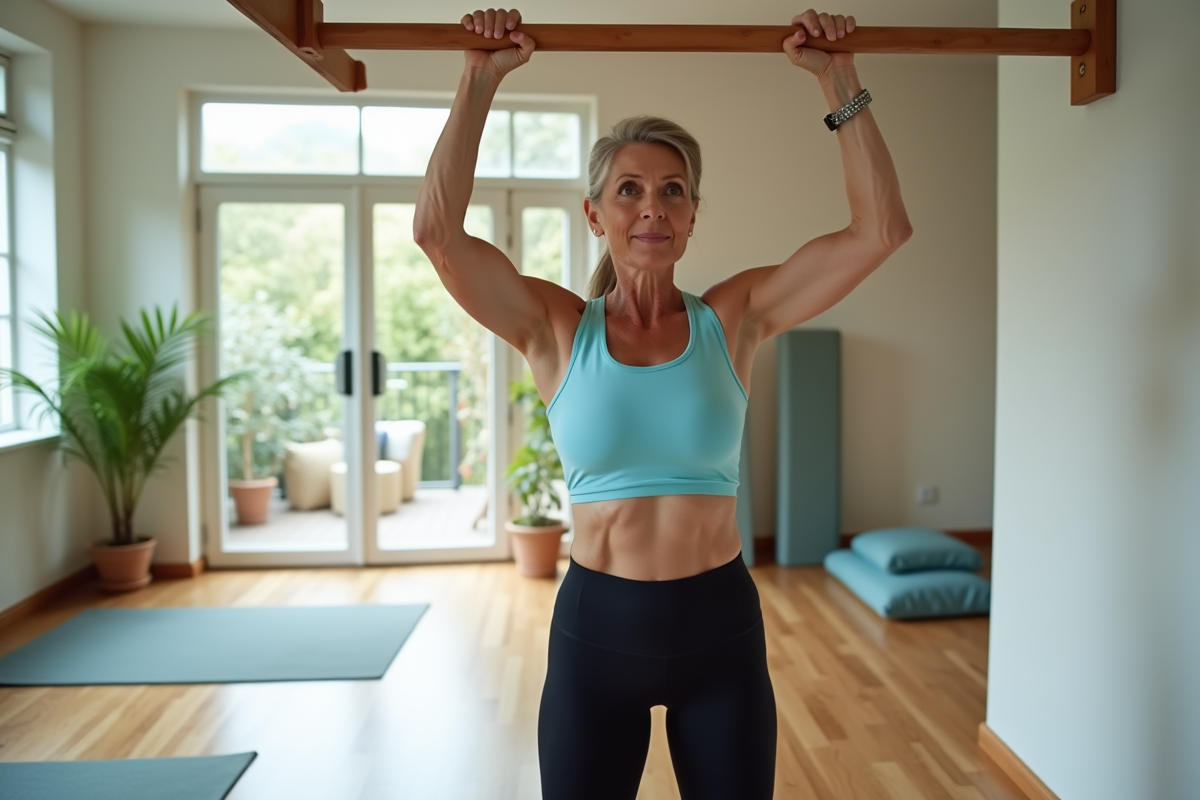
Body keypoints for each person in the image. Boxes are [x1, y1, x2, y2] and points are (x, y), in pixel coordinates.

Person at [413, 8, 911, 798]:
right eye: (630, 190)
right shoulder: (555, 329)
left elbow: (881, 230)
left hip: (721, 635)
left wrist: (838, 78)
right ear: (595, 214)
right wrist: (478, 80)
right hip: (595, 639)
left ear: (691, 218)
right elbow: (438, 234)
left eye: (672, 191)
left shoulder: (735, 318)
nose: (653, 206)